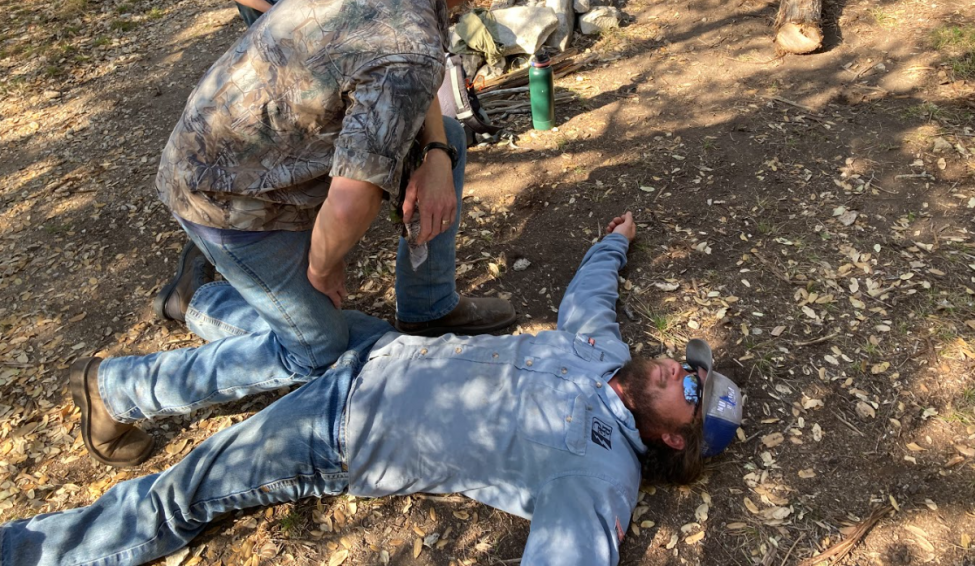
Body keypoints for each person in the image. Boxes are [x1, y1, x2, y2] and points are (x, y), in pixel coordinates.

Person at [63, 0, 531, 470]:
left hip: (228, 142)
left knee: (449, 140)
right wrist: (322, 266)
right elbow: (353, 195)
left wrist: (434, 151)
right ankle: (119, 385)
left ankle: (428, 307)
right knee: (318, 352)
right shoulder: (408, 45)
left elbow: (417, 65)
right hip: (228, 197)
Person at [0, 212, 744, 566]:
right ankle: (192, 304)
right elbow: (590, 298)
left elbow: (571, 555)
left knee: (184, 490)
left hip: (345, 428)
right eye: (690, 362)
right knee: (300, 332)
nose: (678, 367)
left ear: (674, 437)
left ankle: (29, 549)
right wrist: (612, 241)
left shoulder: (599, 471)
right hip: (385, 350)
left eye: (691, 387)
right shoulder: (604, 354)